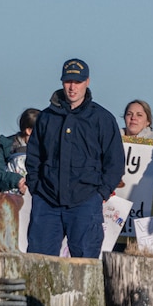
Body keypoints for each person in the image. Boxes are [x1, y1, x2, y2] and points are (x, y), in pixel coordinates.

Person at [26, 58, 124, 258]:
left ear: (87, 82)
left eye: (77, 82)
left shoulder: (102, 119)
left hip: (85, 202)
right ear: (62, 82)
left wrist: (101, 193)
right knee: (39, 262)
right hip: (47, 201)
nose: (72, 87)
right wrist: (36, 187)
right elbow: (34, 156)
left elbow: (114, 162)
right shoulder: (46, 117)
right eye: (68, 81)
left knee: (84, 264)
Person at [0, 108, 38, 194]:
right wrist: (16, 180)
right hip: (7, 199)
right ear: (29, 131)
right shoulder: (5, 146)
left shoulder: (46, 149)